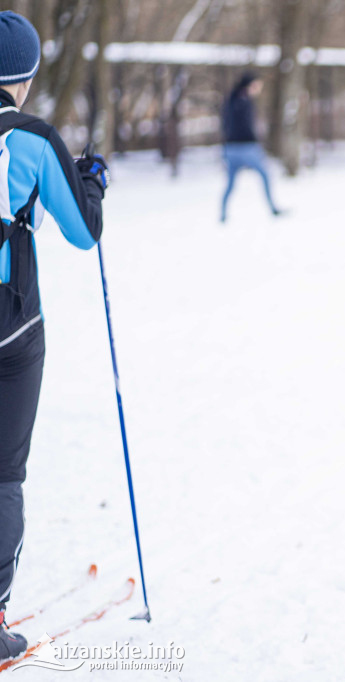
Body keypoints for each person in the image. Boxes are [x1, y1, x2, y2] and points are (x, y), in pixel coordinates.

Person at [0, 11, 107, 661]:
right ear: (26, 77)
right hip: (13, 328)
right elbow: (83, 231)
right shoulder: (33, 138)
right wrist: (91, 182)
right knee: (2, 475)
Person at [220, 72, 281, 223]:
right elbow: (245, 126)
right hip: (246, 147)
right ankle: (273, 207)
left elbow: (225, 125)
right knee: (265, 175)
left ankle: (222, 214)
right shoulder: (244, 101)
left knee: (230, 184)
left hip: (230, 147)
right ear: (251, 85)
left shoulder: (231, 100)